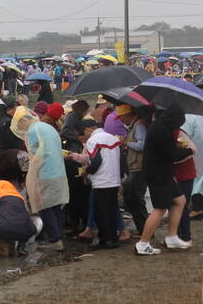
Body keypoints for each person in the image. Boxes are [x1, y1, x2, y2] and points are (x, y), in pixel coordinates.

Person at [138, 103, 194, 255]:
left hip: (164, 172)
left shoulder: (160, 127)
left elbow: (166, 151)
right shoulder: (161, 131)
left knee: (179, 201)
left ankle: (172, 236)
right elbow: (170, 155)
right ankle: (143, 243)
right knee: (160, 208)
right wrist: (188, 150)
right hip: (158, 174)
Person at [12, 107, 69, 252]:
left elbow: (36, 155)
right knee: (56, 206)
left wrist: (32, 174)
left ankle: (55, 240)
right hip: (58, 172)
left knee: (45, 207)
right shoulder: (47, 127)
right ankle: (59, 237)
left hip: (44, 173)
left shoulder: (32, 131)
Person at [72, 118, 122, 250]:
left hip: (102, 181)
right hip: (113, 179)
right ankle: (113, 238)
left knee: (101, 212)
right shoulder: (112, 138)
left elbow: (96, 161)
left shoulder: (93, 140)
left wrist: (87, 172)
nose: (83, 137)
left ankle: (105, 240)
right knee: (110, 211)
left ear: (89, 129)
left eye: (83, 133)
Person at [117, 104, 149, 236]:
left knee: (136, 199)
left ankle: (145, 230)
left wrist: (126, 143)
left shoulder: (139, 125)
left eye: (121, 117)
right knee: (132, 197)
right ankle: (143, 229)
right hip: (135, 166)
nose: (120, 120)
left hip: (140, 167)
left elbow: (143, 145)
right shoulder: (134, 125)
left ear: (127, 115)